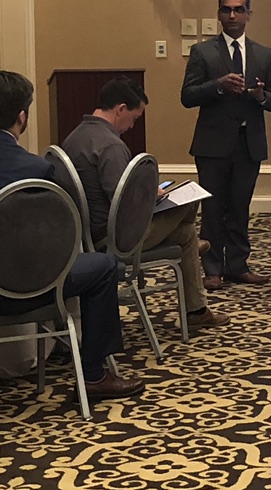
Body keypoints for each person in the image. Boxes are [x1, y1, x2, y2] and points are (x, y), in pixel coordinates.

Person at [0, 70, 142, 400]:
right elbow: (57, 235)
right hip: (31, 291)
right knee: (104, 266)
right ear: (22, 117)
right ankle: (93, 375)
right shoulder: (36, 169)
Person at [60, 76, 224, 331]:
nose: (132, 125)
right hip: (116, 240)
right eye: (134, 118)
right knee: (189, 203)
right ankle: (196, 310)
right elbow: (123, 203)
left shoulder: (74, 137)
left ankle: (197, 309)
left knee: (185, 234)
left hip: (84, 236)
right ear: (121, 109)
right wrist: (150, 195)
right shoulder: (111, 146)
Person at [182, 0, 271, 288]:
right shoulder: (203, 52)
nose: (232, 16)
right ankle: (212, 269)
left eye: (239, 10)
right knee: (213, 209)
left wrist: (261, 96)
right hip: (212, 145)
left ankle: (238, 265)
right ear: (219, 14)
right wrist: (217, 86)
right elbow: (187, 96)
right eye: (226, 10)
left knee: (240, 208)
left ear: (249, 14)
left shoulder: (264, 54)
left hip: (248, 144)